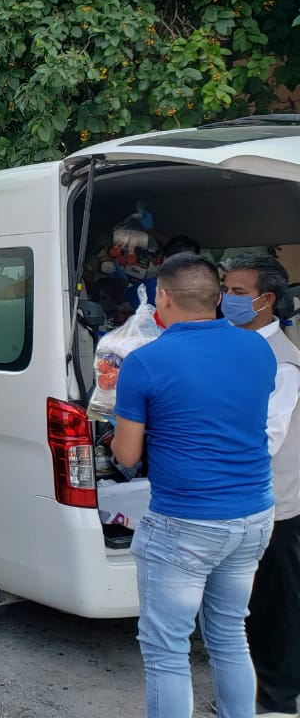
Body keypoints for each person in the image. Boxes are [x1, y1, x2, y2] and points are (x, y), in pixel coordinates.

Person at [112, 253, 276, 718]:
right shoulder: (257, 349)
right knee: (228, 635)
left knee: (167, 652)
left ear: (162, 298)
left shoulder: (144, 363)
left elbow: (126, 455)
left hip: (186, 522)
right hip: (253, 515)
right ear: (219, 298)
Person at [222, 255, 300, 718]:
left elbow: (265, 439)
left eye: (236, 292)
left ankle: (278, 703)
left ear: (265, 300)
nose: (226, 299)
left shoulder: (283, 363)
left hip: (275, 505)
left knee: (276, 607)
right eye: (225, 290)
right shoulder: (235, 346)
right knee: (240, 607)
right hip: (237, 501)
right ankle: (244, 698)